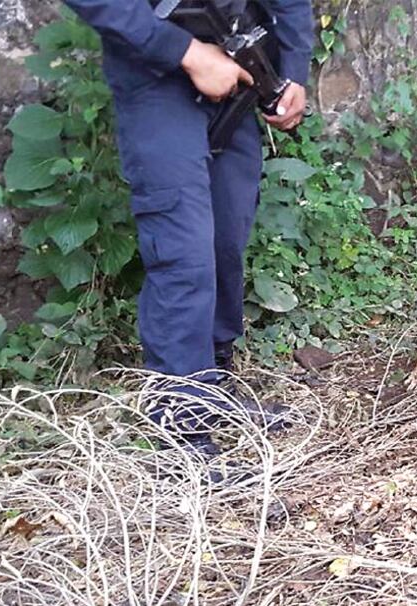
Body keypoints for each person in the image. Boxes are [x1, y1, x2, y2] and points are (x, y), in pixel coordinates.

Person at [62, 0, 314, 460]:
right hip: (156, 79)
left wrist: (293, 69)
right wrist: (187, 52)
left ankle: (214, 385)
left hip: (237, 75)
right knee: (183, 251)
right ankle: (182, 429)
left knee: (225, 240)